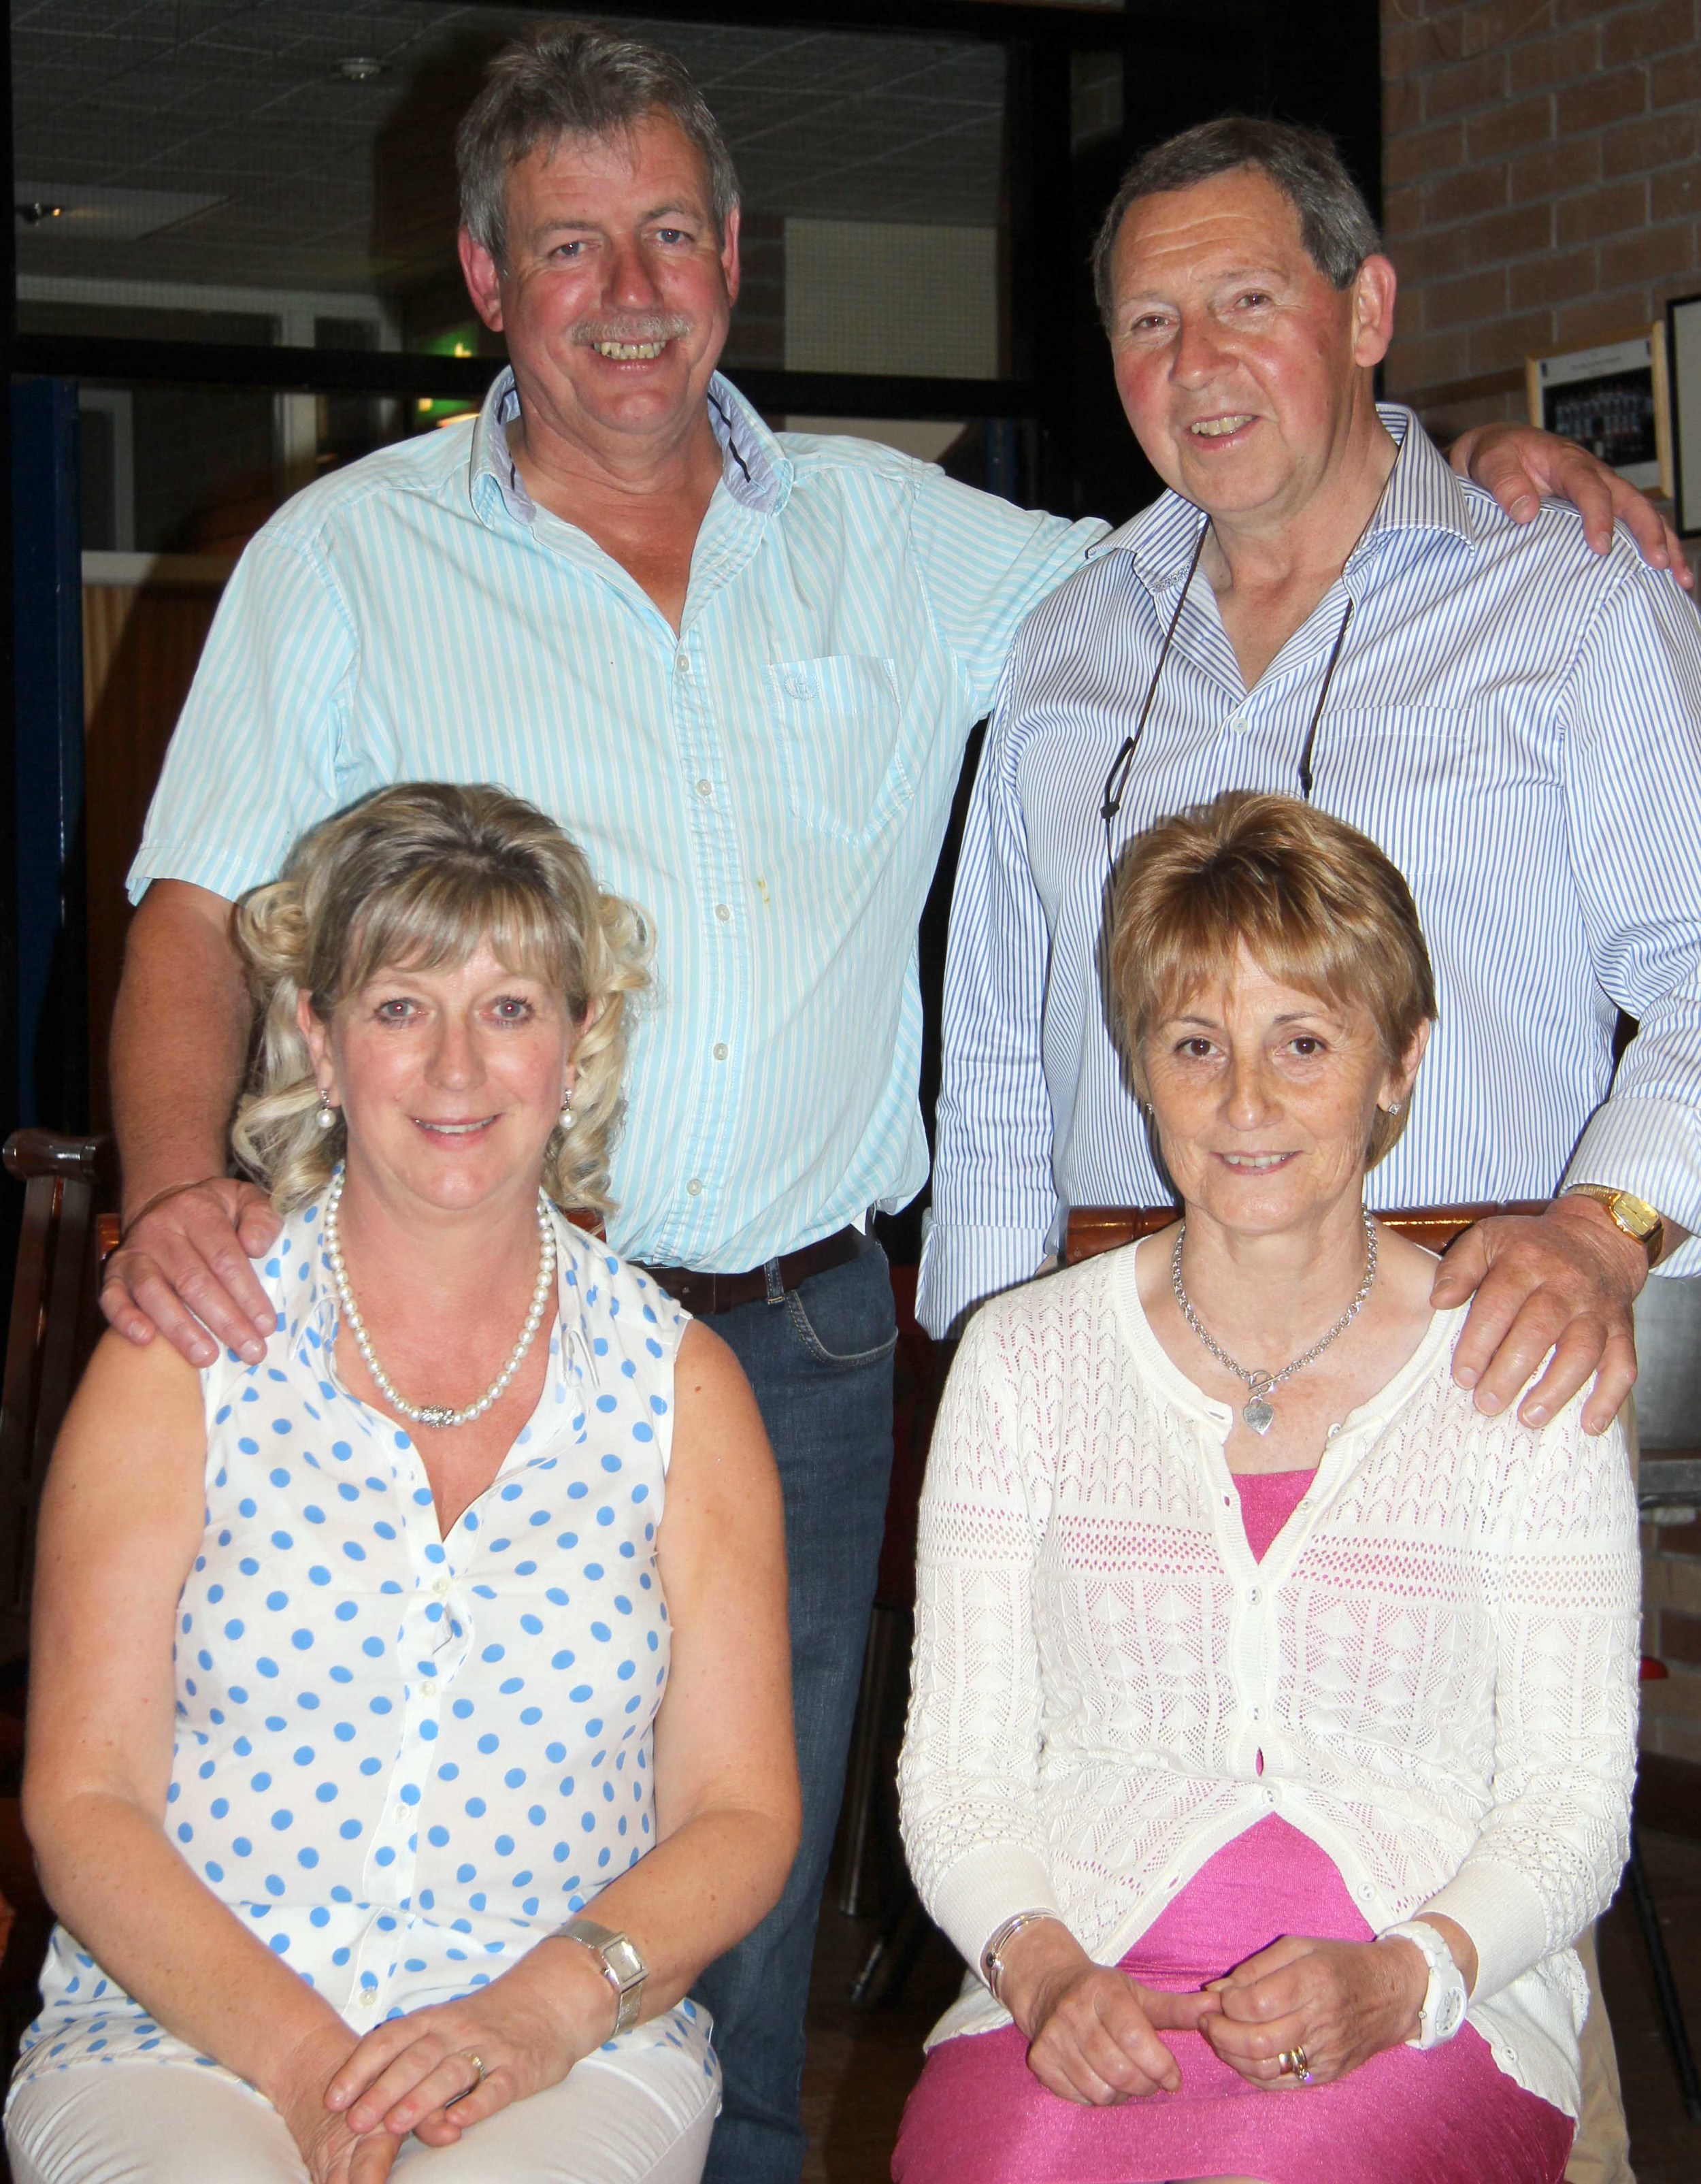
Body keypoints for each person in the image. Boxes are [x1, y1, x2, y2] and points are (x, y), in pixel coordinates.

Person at [95, 32, 1676, 2183]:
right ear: (485, 276)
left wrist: (1495, 457)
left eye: (671, 232)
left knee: (742, 1917)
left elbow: (1249, 524)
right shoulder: (350, 559)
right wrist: (180, 1183)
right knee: (391, 1798)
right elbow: (193, 920)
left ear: (736, 256)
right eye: (570, 246)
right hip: (464, 1327)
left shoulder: (912, 541)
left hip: (858, 1340)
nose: (630, 288)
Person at [916, 116, 1701, 2182]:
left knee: (1461, 1860)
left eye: (1246, 299)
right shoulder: (1064, 641)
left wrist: (1607, 1231)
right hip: (1115, 1358)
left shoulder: (1569, 609)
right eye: (1147, 322)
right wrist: (996, 1372)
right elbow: (996, 1060)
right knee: (1104, 1865)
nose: (1195, 361)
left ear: (1365, 315)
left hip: (1482, 1325)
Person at [5, 783, 799, 2184]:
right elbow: (84, 1800)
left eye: (508, 1009)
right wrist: (309, 2067)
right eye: (397, 1006)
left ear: (581, 1040)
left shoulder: (683, 1391)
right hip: (177, 2038)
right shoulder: (178, 1359)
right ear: (312, 1033)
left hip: (561, 2047)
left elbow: (738, 1814)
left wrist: (540, 2010)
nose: (453, 1069)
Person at [896, 791, 1640, 2184]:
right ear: (1139, 1066)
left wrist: (1406, 1977)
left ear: (1397, 1063)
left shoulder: (1524, 1367)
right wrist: (1042, 1970)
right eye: (1195, 1046)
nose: (1244, 1103)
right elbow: (958, 1776)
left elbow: (1568, 1801)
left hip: (1427, 1999)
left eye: (1301, 1043)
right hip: (1079, 1971)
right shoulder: (1021, 1363)